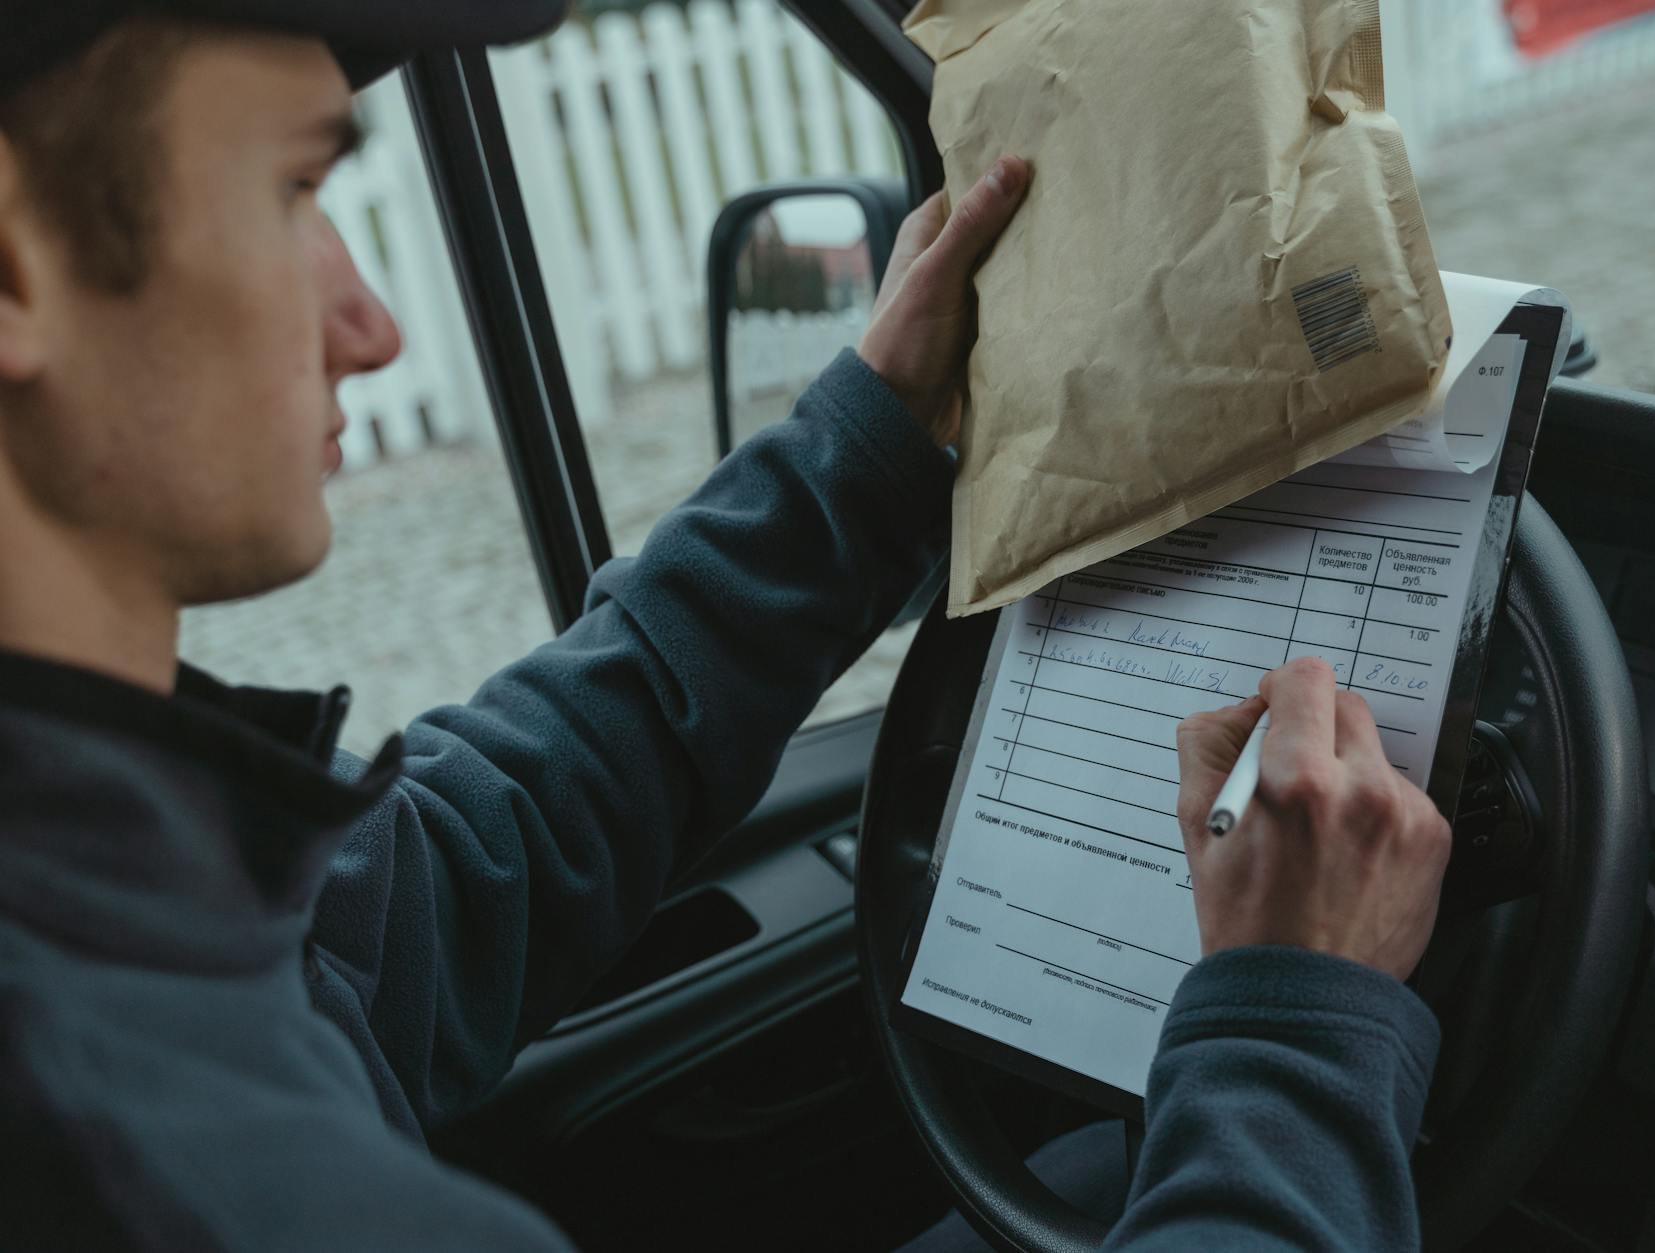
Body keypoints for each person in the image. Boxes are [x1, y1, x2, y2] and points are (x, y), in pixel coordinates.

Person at [0, 3, 1449, 1251]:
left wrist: (866, 449)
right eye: (295, 191)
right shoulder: (175, 1176)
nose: (371, 323)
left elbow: (442, 880)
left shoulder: (110, 879)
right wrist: (1292, 1028)